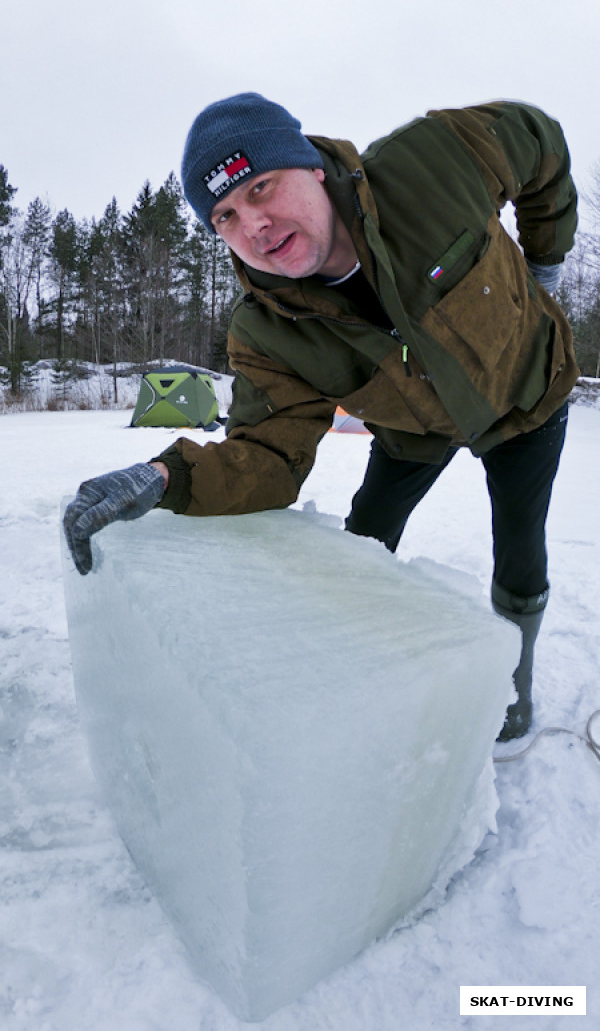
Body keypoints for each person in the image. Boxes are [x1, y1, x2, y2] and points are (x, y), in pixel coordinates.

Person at [64, 93, 579, 742]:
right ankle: (351, 675)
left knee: (520, 550)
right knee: (365, 535)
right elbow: (268, 457)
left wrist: (545, 261)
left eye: (261, 187)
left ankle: (512, 684)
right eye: (225, 215)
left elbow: (541, 141)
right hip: (415, 428)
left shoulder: (438, 160)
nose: (252, 223)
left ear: (309, 166)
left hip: (527, 391)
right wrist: (166, 478)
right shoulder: (268, 333)